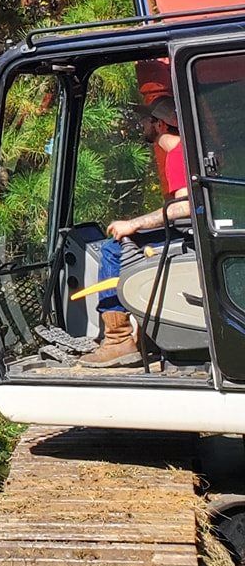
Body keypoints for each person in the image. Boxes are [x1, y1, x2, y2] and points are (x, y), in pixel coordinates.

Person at [78, 94, 191, 370]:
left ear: (160, 125)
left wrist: (134, 224)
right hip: (187, 234)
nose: (142, 124)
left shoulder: (178, 154)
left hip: (188, 239)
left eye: (146, 119)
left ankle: (118, 341)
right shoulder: (185, 152)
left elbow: (185, 206)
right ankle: (146, 335)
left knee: (113, 248)